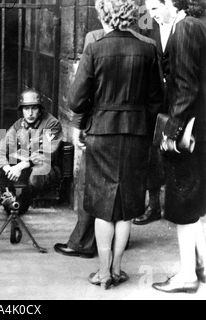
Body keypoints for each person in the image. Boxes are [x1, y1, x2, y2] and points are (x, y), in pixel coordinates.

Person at [67, 0, 163, 289]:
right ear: (132, 15)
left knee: (102, 205)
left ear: (104, 14)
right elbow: (157, 99)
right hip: (135, 135)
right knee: (127, 206)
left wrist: (85, 122)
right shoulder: (148, 49)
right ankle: (118, 269)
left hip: (101, 133)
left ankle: (103, 272)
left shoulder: (95, 48)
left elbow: (76, 100)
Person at [54, 27, 157, 258]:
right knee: (127, 198)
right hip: (135, 130)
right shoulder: (147, 44)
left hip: (101, 128)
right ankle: (117, 258)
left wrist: (79, 125)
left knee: (94, 190)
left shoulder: (94, 40)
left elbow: (80, 97)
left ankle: (88, 248)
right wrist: (142, 128)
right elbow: (156, 99)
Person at [152, 0, 206, 294]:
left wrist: (171, 132)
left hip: (188, 132)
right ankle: (202, 266)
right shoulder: (200, 26)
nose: (151, 12)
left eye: (155, 5)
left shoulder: (183, 30)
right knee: (198, 203)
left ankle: (187, 276)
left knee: (183, 205)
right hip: (201, 129)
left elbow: (186, 86)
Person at [133, 0, 178, 226]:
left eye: (156, 9)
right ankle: (153, 206)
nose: (153, 15)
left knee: (182, 153)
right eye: (149, 10)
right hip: (157, 103)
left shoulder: (187, 27)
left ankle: (180, 206)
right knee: (153, 153)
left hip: (181, 101)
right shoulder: (152, 31)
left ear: (169, 4)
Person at [0, 89, 62, 215]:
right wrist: (7, 167)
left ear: (40, 109)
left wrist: (20, 166)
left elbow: (46, 153)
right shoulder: (19, 124)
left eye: (34, 108)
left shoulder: (52, 124)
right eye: (26, 109)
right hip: (25, 164)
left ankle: (22, 203)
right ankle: (8, 194)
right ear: (22, 110)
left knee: (38, 173)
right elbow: (1, 147)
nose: (30, 113)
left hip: (47, 168)